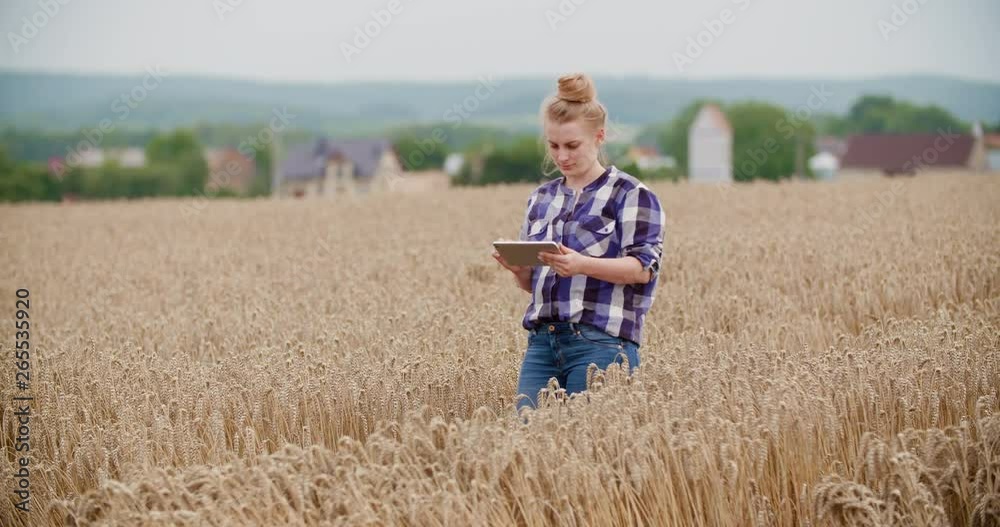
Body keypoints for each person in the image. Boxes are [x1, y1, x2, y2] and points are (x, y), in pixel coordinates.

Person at [492, 73, 666, 413]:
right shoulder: (540, 198)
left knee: (591, 452)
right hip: (542, 343)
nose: (562, 156)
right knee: (528, 448)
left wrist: (582, 264)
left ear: (599, 137)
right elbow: (535, 284)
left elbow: (642, 268)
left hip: (602, 342)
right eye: (553, 145)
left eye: (572, 145)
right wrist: (519, 271)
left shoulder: (631, 194)